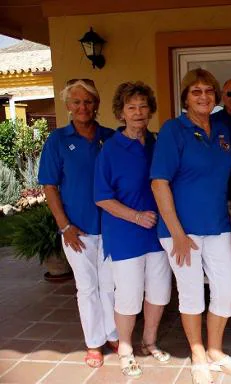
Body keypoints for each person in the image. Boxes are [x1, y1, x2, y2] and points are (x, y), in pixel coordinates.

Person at [150, 68, 231, 384]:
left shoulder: (220, 130)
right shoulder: (173, 130)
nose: (203, 96)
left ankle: (216, 350)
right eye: (196, 91)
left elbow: (221, 176)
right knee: (191, 293)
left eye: (208, 91)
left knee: (225, 290)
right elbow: (159, 182)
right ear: (185, 97)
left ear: (216, 97)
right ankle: (198, 353)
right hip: (183, 230)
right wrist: (176, 232)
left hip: (217, 224)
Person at [38, 79, 118, 368]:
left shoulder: (110, 137)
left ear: (96, 104)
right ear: (68, 106)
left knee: (110, 285)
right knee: (87, 287)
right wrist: (64, 226)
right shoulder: (58, 140)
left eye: (88, 101)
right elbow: (49, 186)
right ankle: (94, 342)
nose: (83, 107)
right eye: (77, 102)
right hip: (77, 230)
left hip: (111, 227)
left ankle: (113, 333)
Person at [94, 82, 172, 378]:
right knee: (128, 295)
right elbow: (102, 196)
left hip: (158, 233)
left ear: (150, 110)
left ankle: (148, 342)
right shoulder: (111, 149)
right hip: (126, 234)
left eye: (143, 106)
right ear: (121, 113)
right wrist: (136, 217)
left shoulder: (157, 143)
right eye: (131, 107)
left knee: (159, 292)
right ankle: (125, 348)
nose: (138, 112)